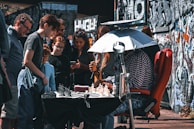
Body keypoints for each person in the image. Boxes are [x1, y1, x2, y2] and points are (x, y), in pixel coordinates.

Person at [17, 14, 60, 129]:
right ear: (46, 25)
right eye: (52, 30)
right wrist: (43, 76)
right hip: (27, 79)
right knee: (26, 115)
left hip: (32, 80)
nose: (53, 34)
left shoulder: (39, 39)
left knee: (32, 115)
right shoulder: (34, 38)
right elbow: (27, 61)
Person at [103, 49, 155, 129]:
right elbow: (120, 77)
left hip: (136, 97)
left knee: (106, 109)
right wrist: (106, 80)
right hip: (126, 95)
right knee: (99, 105)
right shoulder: (128, 56)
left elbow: (135, 84)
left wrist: (113, 85)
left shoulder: (138, 58)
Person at [0, 13, 33, 129]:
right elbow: (3, 59)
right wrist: (7, 80)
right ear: (18, 23)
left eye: (29, 29)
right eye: (26, 28)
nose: (27, 31)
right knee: (7, 114)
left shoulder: (16, 39)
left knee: (12, 114)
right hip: (10, 82)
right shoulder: (9, 36)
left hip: (14, 82)